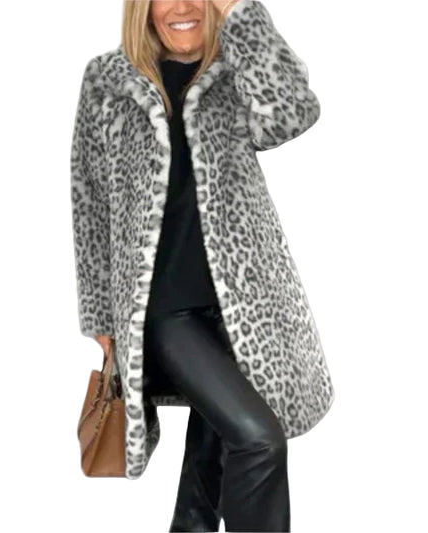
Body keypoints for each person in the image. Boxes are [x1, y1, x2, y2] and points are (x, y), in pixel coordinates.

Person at [70, 1, 335, 531]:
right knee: (259, 440)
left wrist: (241, 13)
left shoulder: (234, 67)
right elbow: (89, 202)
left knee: (212, 459)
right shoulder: (107, 80)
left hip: (244, 307)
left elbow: (292, 112)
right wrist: (99, 316)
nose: (184, 6)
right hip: (164, 312)